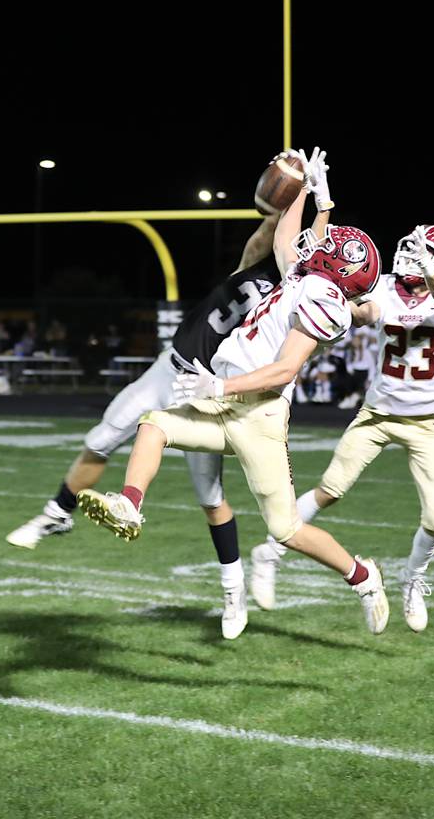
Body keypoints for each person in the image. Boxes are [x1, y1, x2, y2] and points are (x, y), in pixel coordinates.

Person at [5, 149, 333, 640]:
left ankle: (232, 589)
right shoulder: (256, 261)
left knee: (210, 497)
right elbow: (273, 230)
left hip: (207, 389)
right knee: (103, 436)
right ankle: (57, 513)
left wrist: (313, 201)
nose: (300, 248)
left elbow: (306, 254)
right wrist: (297, 188)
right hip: (169, 368)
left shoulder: (296, 296)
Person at [72, 154, 396, 636]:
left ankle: (364, 577)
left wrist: (218, 384)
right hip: (222, 401)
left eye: (330, 246)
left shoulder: (325, 304)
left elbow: (283, 370)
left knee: (286, 530)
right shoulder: (305, 279)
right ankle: (131, 505)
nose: (320, 243)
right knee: (154, 423)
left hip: (258, 418)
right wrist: (311, 191)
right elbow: (288, 235)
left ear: (335, 272)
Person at [250, 222, 434, 634]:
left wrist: (433, 276)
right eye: (410, 250)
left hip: (428, 425)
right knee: (330, 490)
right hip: (376, 415)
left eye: (421, 253)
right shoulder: (385, 287)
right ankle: (270, 552)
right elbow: (363, 313)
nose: (409, 259)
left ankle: (412, 578)